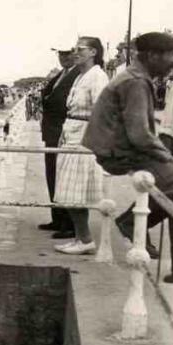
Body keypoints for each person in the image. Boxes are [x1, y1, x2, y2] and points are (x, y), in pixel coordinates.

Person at [83, 32, 173, 283]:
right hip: (119, 152)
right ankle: (131, 222)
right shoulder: (136, 82)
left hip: (114, 147)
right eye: (172, 55)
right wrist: (170, 159)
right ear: (153, 55)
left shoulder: (133, 77)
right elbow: (140, 135)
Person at [53, 36, 110, 255]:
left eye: (80, 49)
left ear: (94, 52)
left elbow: (101, 110)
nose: (75, 52)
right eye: (75, 48)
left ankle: (85, 239)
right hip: (71, 133)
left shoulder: (97, 76)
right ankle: (80, 237)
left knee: (74, 190)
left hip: (83, 137)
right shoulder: (81, 76)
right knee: (69, 191)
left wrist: (92, 140)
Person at [38, 45, 80, 237]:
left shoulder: (78, 75)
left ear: (75, 54)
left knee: (64, 178)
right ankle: (57, 218)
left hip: (63, 133)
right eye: (60, 54)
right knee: (52, 175)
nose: (63, 57)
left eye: (67, 53)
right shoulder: (62, 74)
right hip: (52, 133)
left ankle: (69, 224)